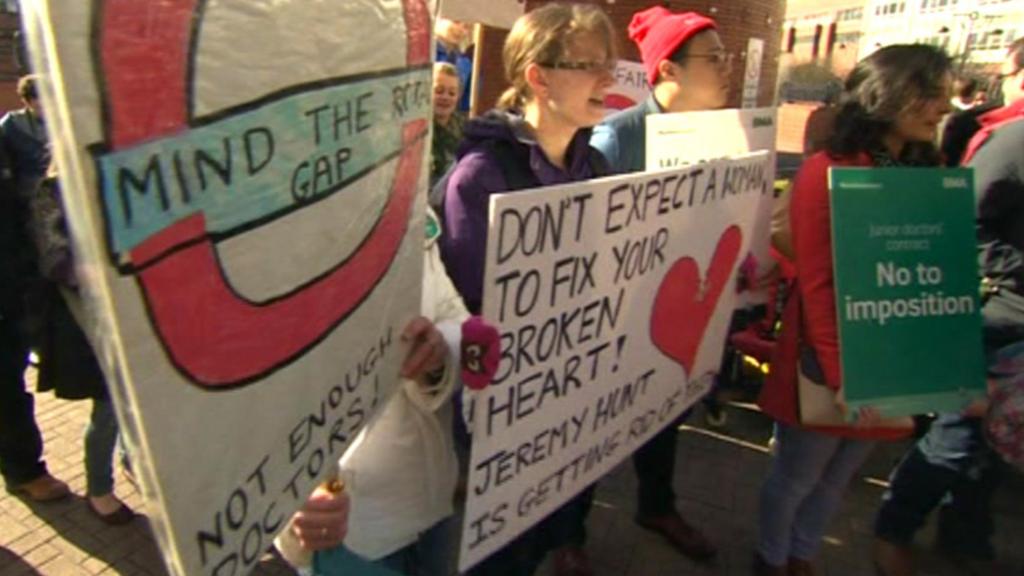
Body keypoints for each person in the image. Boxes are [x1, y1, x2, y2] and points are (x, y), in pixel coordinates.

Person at [755, 44, 953, 576]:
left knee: (840, 478)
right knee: (797, 475)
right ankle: (771, 559)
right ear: (889, 96)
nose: (945, 106)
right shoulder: (826, 172)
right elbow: (818, 283)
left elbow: (934, 275)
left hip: (890, 357)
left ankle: (802, 553)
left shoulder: (929, 170)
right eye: (932, 92)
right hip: (830, 360)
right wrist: (845, 375)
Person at [439, 5, 615, 575]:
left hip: (563, 395)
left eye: (609, 65)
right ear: (538, 76)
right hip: (499, 409)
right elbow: (468, 308)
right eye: (590, 65)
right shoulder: (481, 178)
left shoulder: (595, 165)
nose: (608, 80)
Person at [874, 38, 1024, 576]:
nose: (943, 109)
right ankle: (894, 528)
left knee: (996, 450)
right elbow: (964, 224)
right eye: (932, 96)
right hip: (1000, 321)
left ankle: (966, 537)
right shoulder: (1015, 144)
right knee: (956, 440)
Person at [587, 6, 729, 562]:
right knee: (591, 432)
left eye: (726, 57)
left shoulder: (725, 133)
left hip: (681, 314)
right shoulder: (615, 139)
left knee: (668, 414)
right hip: (616, 321)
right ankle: (570, 536)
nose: (726, 68)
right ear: (668, 70)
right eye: (712, 58)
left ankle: (657, 505)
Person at [276, 207, 469, 575]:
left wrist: (440, 349)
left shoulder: (407, 202)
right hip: (354, 531)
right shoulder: (272, 240)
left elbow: (451, 311)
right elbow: (245, 410)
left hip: (431, 506)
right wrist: (285, 506)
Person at [27, 164, 135, 524]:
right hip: (94, 322)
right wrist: (103, 272)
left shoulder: (119, 173)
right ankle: (99, 490)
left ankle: (134, 461)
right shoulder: (53, 190)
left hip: (135, 313)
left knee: (138, 403)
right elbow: (55, 259)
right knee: (109, 408)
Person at [0, 124, 69, 503]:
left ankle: (23, 470)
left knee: (10, 391)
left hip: (11, 293)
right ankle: (23, 471)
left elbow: (17, 210)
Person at [1, 75, 50, 198]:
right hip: (28, 193)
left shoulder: (64, 122)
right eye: (38, 99)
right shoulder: (11, 124)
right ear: (28, 101)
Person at [430, 62, 464, 189]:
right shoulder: (418, 131)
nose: (445, 97)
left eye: (452, 93)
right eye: (439, 91)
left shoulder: (466, 129)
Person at [436, 18, 474, 113]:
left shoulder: (465, 63)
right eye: (456, 22)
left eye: (466, 27)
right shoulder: (426, 53)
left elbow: (467, 103)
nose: (460, 30)